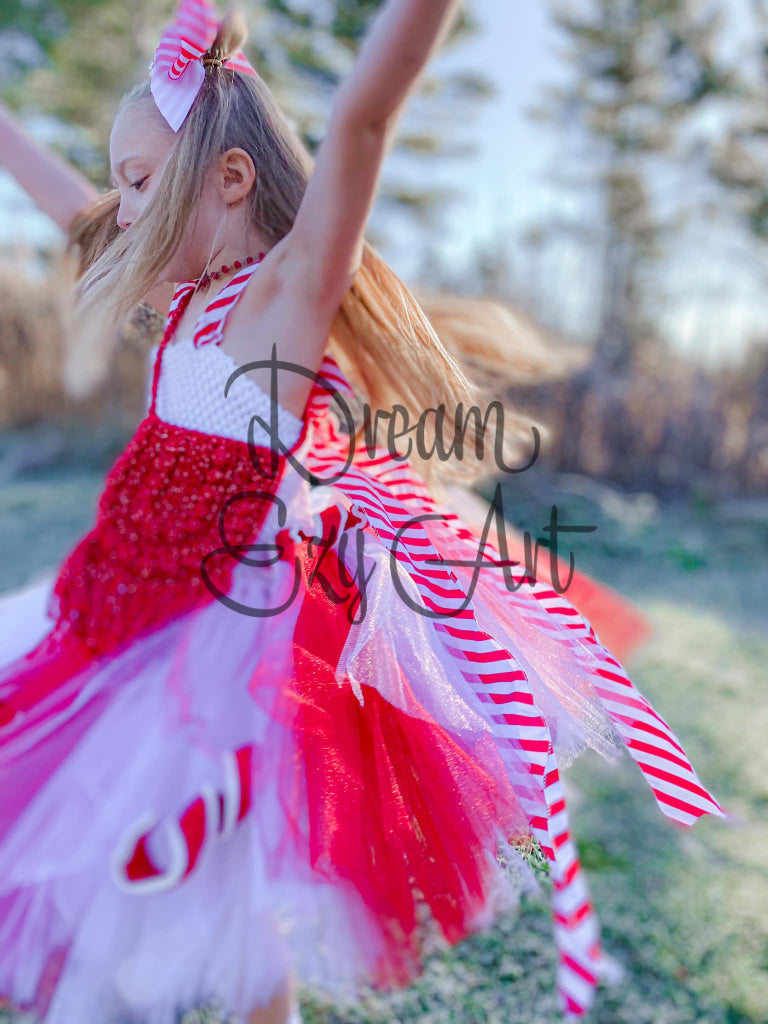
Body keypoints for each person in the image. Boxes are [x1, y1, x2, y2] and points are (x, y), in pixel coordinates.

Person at [0, 2, 729, 1023]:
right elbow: (69, 208)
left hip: (210, 652)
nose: (118, 210)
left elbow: (362, 126)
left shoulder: (279, 302)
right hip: (111, 613)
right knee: (129, 890)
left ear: (231, 179)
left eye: (135, 181)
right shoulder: (182, 304)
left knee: (211, 896)